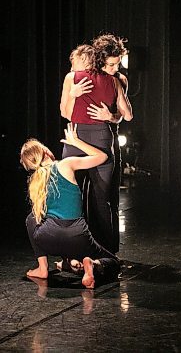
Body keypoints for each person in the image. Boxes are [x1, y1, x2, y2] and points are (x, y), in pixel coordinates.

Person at [20, 122, 121, 289]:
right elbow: (102, 157)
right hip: (77, 236)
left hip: (47, 238)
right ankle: (93, 264)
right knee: (113, 262)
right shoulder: (66, 164)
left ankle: (43, 267)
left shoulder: (34, 182)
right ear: (46, 151)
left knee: (31, 219)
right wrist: (76, 142)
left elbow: (36, 220)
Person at [60, 34, 133, 253]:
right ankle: (85, 247)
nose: (115, 67)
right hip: (95, 137)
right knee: (86, 195)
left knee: (102, 196)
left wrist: (109, 115)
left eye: (117, 63)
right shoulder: (104, 80)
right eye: (111, 63)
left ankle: (104, 249)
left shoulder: (117, 79)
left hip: (98, 134)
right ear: (100, 60)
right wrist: (73, 94)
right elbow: (66, 111)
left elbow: (122, 117)